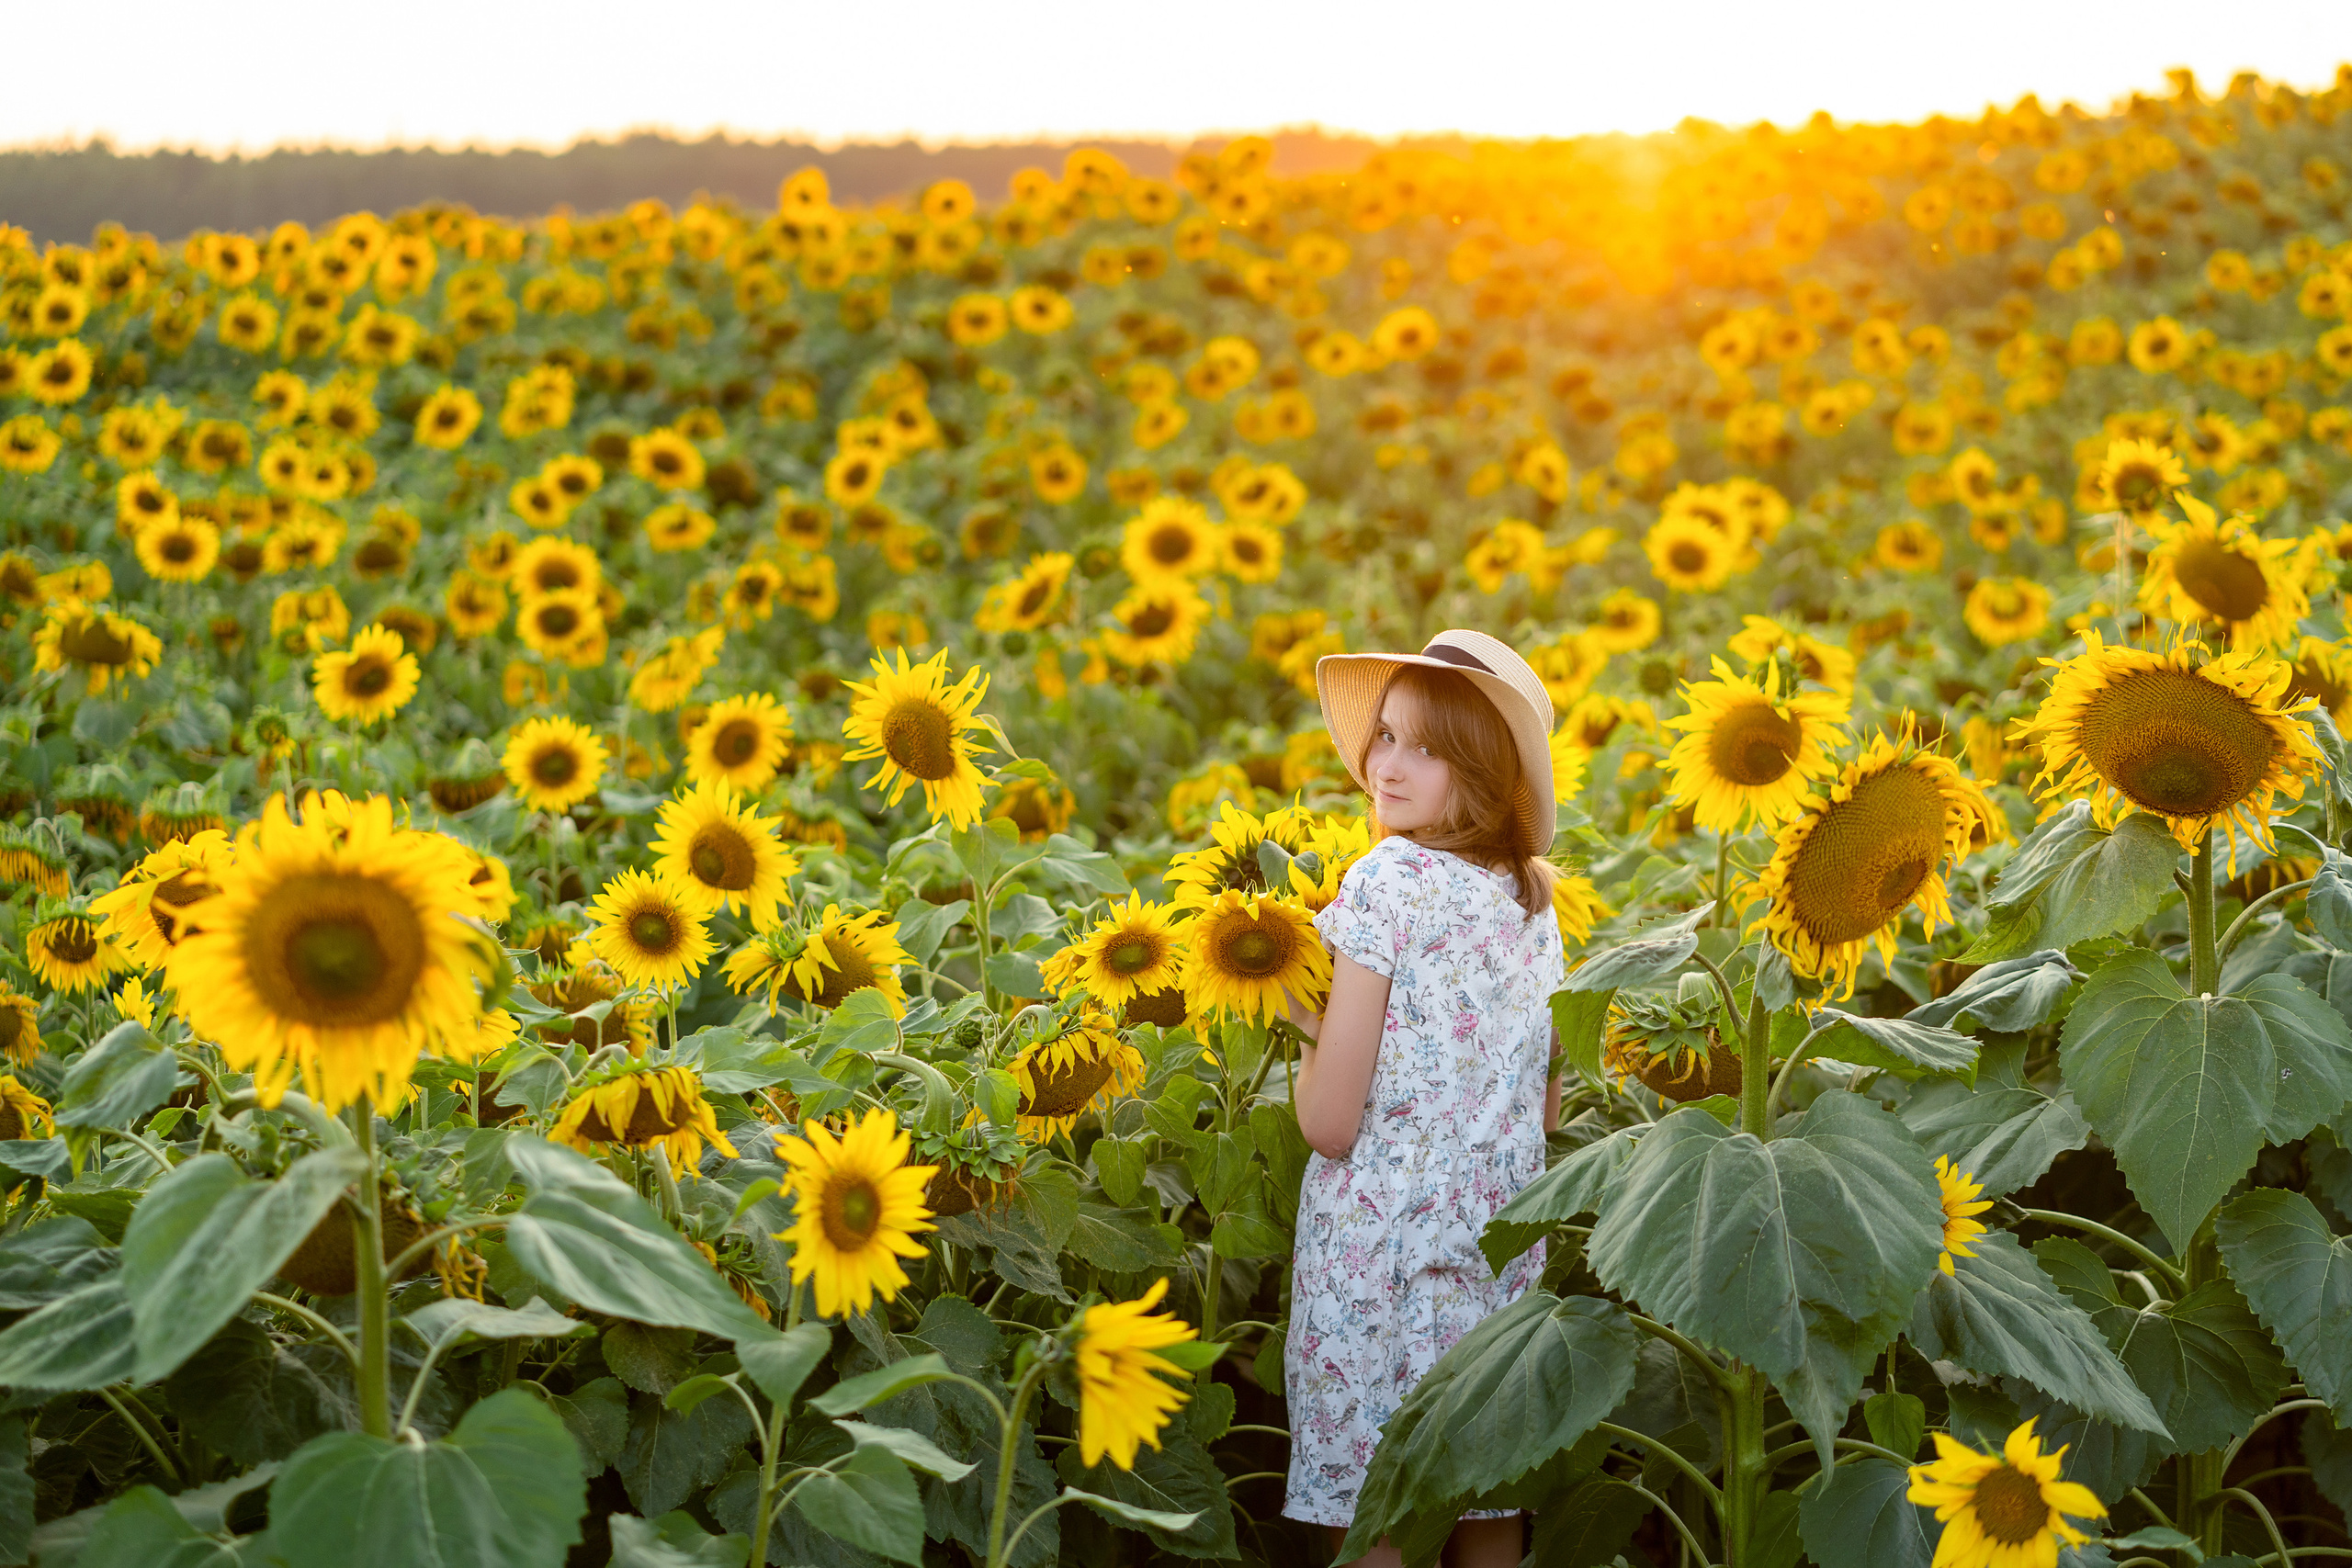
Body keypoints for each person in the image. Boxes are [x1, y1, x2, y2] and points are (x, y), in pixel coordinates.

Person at [1280, 628, 1567, 1568]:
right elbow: (1543, 1107)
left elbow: (1330, 1122)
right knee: (1490, 1519)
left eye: (1428, 748)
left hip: (1378, 1265)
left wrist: (1303, 1043)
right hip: (1493, 1262)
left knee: (1377, 1529)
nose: (1387, 766)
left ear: (1482, 773)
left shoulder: (1385, 882)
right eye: (1388, 736)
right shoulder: (1534, 900)